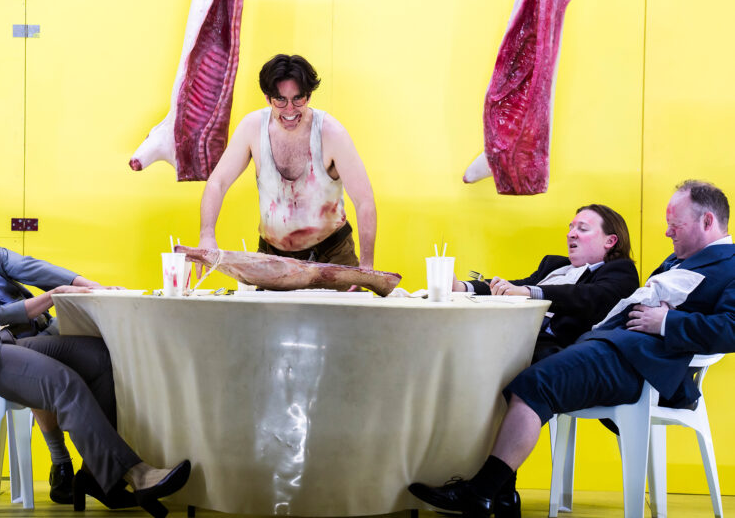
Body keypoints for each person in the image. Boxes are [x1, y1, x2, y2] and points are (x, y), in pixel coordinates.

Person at [409, 180, 735, 518]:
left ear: (707, 221)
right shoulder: (676, 260)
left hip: (639, 363)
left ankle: (480, 492)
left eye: (674, 225)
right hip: (607, 345)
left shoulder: (730, 265)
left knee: (534, 382)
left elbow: (732, 328)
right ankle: (490, 493)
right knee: (518, 375)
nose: (667, 232)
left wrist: (666, 322)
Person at [0, 188, 190, 518]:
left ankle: (97, 477)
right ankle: (137, 474)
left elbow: (20, 269)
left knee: (98, 356)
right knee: (62, 381)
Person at [0, 228, 116, 504]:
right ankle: (62, 462)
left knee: (104, 348)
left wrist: (86, 284)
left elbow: (27, 267)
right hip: (3, 343)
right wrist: (53, 296)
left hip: (41, 326)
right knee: (40, 358)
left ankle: (94, 471)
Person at [198, 54, 377, 269]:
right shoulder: (252, 128)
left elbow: (364, 200)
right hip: (273, 258)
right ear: (267, 98)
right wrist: (207, 235)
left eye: (297, 99)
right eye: (280, 100)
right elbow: (217, 182)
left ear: (309, 97)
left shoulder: (331, 133)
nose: (290, 109)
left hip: (332, 256)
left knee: (341, 303)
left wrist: (367, 265)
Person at [458, 204, 639, 361]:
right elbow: (515, 285)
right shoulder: (554, 265)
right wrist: (461, 287)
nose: (571, 234)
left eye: (582, 229)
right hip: (513, 334)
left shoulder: (620, 270)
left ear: (610, 240)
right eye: (571, 228)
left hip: (551, 347)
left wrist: (528, 292)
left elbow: (588, 296)